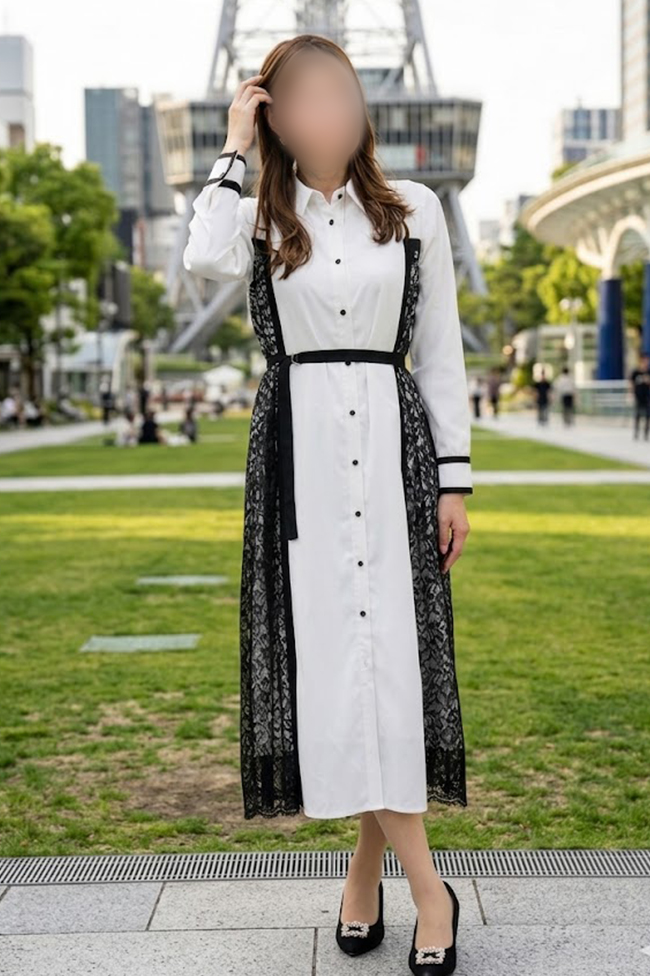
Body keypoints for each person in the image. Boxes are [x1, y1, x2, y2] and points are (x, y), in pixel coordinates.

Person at [183, 35, 472, 975]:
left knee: (388, 672)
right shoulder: (259, 217)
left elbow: (440, 353)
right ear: (276, 117)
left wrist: (454, 479)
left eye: (343, 96)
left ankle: (390, 884)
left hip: (394, 457)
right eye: (306, 100)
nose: (331, 114)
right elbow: (201, 257)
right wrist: (234, 146)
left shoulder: (415, 209)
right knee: (340, 674)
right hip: (300, 461)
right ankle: (416, 886)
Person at [629, 351, 650, 441]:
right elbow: (631, 383)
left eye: (647, 361)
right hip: (638, 396)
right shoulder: (636, 372)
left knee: (647, 416)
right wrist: (630, 393)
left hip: (647, 397)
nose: (645, 362)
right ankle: (636, 433)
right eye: (644, 360)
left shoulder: (648, 372)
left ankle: (646, 434)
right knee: (637, 415)